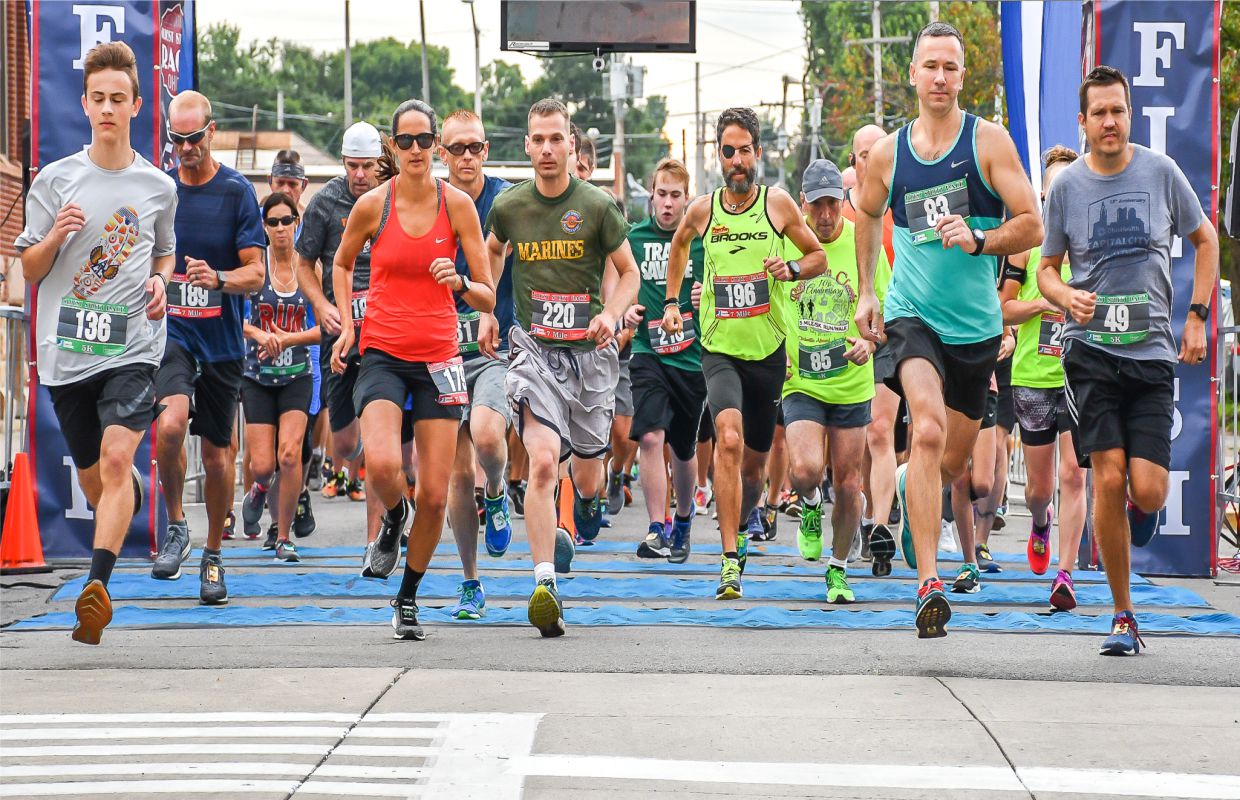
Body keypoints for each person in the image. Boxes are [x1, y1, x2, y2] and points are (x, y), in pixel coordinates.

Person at [854, 21, 1042, 638]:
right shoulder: (889, 153)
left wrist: (981, 237)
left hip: (976, 330)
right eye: (929, 65)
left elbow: (1033, 224)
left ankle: (914, 485)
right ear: (912, 74)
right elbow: (865, 213)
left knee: (956, 463)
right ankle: (928, 584)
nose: (939, 77)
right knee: (926, 427)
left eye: (950, 68)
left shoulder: (988, 143)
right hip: (912, 316)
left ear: (963, 77)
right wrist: (865, 291)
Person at [1038, 66, 1217, 655]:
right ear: (1084, 122)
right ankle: (1122, 615)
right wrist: (1065, 296)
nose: (1110, 122)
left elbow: (1206, 239)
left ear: (1128, 114)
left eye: (1119, 110)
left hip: (1151, 355)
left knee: (1150, 489)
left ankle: (1142, 509)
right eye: (1099, 113)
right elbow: (1045, 268)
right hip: (1091, 354)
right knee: (1107, 477)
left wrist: (1196, 315)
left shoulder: (1160, 173)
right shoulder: (1066, 189)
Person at [17, 41, 176, 644]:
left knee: (115, 459)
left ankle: (97, 586)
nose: (108, 107)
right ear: (85, 105)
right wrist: (55, 234)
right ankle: (128, 494)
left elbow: (163, 248)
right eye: (98, 98)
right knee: (98, 479)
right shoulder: (56, 180)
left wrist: (160, 279)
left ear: (136, 105)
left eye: (119, 98)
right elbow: (30, 270)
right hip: (67, 355)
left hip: (133, 346)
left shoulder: (158, 186)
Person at [331, 99, 495, 640]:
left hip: (440, 358)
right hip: (381, 350)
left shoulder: (460, 208)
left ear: (439, 149)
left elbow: (488, 296)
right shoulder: (373, 205)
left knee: (435, 492)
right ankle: (392, 519)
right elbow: (341, 261)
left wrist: (461, 284)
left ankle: (407, 597)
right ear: (392, 149)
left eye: (427, 141)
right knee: (379, 465)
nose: (418, 150)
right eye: (407, 142)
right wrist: (348, 327)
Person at [486, 98, 639, 636]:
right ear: (527, 146)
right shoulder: (509, 206)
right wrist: (488, 311)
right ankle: (544, 583)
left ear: (572, 146)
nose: (547, 149)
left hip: (591, 359)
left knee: (589, 479)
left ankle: (592, 500)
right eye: (538, 140)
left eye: (557, 139)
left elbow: (629, 273)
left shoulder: (596, 205)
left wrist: (612, 314)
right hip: (535, 353)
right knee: (544, 463)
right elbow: (493, 253)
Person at [664, 106, 826, 600]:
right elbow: (677, 249)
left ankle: (747, 514)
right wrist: (673, 301)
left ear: (758, 153)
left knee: (754, 468)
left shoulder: (777, 206)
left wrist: (791, 271)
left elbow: (816, 256)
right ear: (719, 155)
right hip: (719, 349)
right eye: (728, 151)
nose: (736, 160)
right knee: (727, 439)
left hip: (768, 352)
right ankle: (729, 558)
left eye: (745, 151)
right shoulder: (702, 209)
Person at [150, 90, 266, 605]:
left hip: (221, 342)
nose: (184, 148)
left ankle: (214, 555)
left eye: (193, 138)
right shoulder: (162, 188)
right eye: (176, 139)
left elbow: (256, 274)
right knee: (170, 425)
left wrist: (218, 277)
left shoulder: (237, 192)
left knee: (219, 459)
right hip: (173, 334)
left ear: (212, 131)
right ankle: (177, 525)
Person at [778, 160, 892, 602]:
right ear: (803, 203)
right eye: (817, 205)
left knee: (848, 483)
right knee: (805, 470)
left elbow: (884, 313)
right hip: (802, 379)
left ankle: (839, 568)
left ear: (842, 203)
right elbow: (765, 303)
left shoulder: (863, 245)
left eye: (833, 204)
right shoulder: (789, 244)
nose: (826, 215)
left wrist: (872, 343)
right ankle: (808, 505)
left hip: (850, 380)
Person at [1001, 145, 1087, 608]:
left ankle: (1066, 573)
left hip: (1079, 375)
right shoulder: (1028, 247)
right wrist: (1042, 304)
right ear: (1042, 194)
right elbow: (1004, 308)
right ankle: (1040, 521)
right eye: (1053, 190)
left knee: (1074, 473)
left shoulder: (1093, 245)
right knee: (1038, 489)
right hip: (1033, 375)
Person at [438, 109, 516, 620]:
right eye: (457, 149)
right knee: (455, 474)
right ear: (442, 155)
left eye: (476, 148)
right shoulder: (426, 203)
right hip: (441, 350)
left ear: (486, 151)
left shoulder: (506, 200)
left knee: (488, 438)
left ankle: (501, 491)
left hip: (493, 348)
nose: (467, 157)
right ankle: (470, 583)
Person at [295, 122, 384, 556]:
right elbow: (303, 264)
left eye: (368, 166)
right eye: (353, 166)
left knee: (382, 432)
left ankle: (376, 539)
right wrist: (322, 305)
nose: (360, 175)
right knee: (347, 444)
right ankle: (362, 447)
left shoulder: (395, 195)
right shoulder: (326, 203)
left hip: (387, 332)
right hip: (341, 333)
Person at [622, 158, 706, 563]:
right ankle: (657, 527)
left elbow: (720, 290)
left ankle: (684, 519)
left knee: (683, 449)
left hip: (691, 359)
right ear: (650, 196)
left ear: (687, 199)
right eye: (661, 195)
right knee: (651, 436)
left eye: (676, 196)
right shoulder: (634, 239)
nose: (668, 204)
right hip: (648, 351)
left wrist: (703, 296)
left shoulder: (702, 242)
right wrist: (626, 310)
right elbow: (618, 282)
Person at [239, 192, 320, 562]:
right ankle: (258, 488)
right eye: (272, 222)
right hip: (257, 376)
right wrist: (260, 335)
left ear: (297, 223)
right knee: (263, 465)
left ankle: (284, 535)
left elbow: (328, 325)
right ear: (264, 227)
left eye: (287, 220)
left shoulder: (310, 268)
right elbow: (233, 319)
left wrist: (288, 338)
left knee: (290, 456)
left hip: (297, 374)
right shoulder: (256, 268)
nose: (281, 228)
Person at [846, 124, 902, 561]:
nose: (871, 160)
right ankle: (864, 516)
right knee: (860, 439)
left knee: (882, 431)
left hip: (893, 333)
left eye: (878, 151)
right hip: (844, 338)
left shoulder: (901, 208)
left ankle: (881, 526)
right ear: (853, 161)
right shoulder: (839, 212)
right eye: (863, 154)